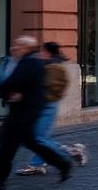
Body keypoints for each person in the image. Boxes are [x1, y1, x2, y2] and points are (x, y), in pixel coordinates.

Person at [0, 37, 74, 190]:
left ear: (27, 48)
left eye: (19, 45)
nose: (14, 47)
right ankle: (63, 164)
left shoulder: (30, 62)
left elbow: (15, 83)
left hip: (26, 111)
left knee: (8, 146)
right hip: (24, 109)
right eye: (14, 44)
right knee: (31, 142)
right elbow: (15, 83)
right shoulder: (22, 61)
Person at [17, 42, 87, 176]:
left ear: (48, 52)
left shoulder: (54, 68)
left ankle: (71, 151)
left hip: (47, 105)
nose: (39, 53)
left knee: (38, 138)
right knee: (38, 137)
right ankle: (37, 163)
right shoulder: (47, 65)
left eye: (42, 51)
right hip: (41, 104)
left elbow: (48, 87)